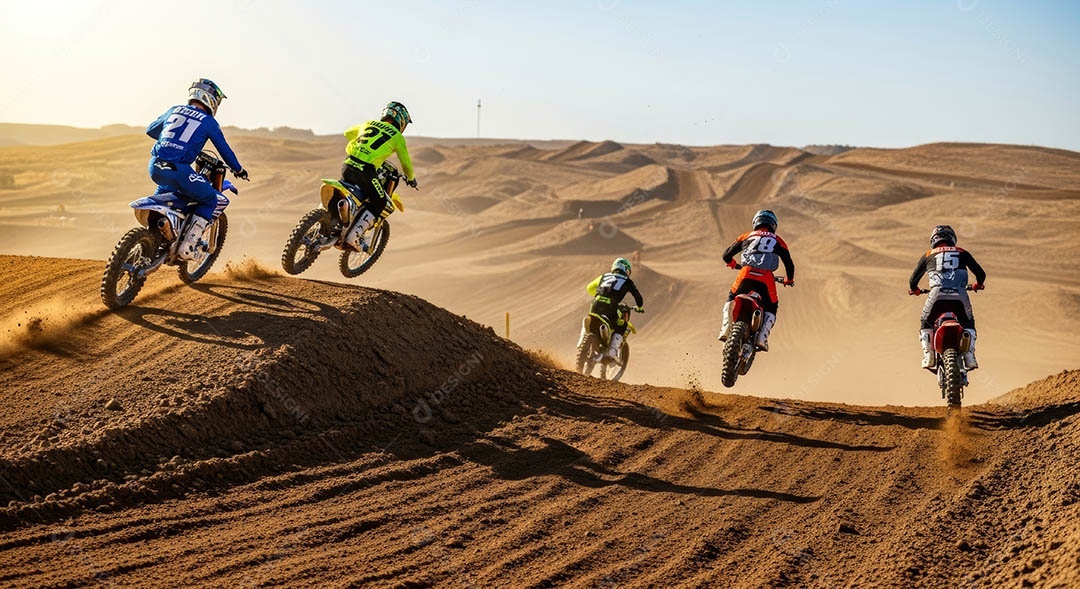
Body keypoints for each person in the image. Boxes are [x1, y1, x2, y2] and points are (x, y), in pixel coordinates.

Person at [146, 78, 247, 261]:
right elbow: (224, 149)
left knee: (167, 194)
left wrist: (171, 140)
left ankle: (159, 234)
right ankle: (187, 246)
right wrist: (239, 170)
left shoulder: (174, 109)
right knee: (210, 199)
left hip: (155, 166)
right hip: (179, 170)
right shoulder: (209, 122)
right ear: (211, 99)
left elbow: (151, 130)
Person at [340, 101, 417, 250]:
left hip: (347, 165)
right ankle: (353, 237)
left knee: (348, 191)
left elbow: (347, 133)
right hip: (365, 170)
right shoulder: (397, 137)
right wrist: (411, 178)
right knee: (380, 200)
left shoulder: (368, 123)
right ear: (401, 121)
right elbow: (406, 163)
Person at [908, 225, 986, 369]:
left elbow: (912, 281)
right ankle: (969, 356)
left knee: (926, 322)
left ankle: (929, 355)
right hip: (960, 296)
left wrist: (915, 290)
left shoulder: (928, 255)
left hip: (936, 296)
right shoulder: (962, 252)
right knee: (968, 323)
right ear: (952, 238)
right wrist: (977, 284)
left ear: (933, 240)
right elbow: (981, 274)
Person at [718, 209, 795, 351]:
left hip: (745, 274)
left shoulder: (746, 236)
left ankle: (725, 329)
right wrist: (789, 279)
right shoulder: (778, 240)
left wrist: (733, 264)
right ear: (773, 225)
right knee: (772, 306)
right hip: (766, 278)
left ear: (756, 222)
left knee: (731, 299)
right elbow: (789, 264)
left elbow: (726, 255)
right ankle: (762, 338)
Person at [585, 257, 644, 363]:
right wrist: (640, 306)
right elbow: (638, 297)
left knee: (590, 319)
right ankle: (612, 351)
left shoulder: (604, 276)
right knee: (621, 324)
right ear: (626, 269)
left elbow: (589, 287)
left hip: (596, 303)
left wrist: (599, 295)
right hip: (611, 306)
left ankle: (582, 343)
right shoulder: (627, 281)